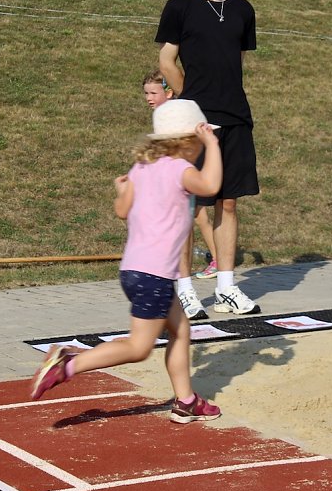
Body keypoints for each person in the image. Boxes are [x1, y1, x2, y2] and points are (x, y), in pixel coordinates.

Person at [29, 99, 223, 424]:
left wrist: (122, 190)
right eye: (200, 142)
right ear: (189, 142)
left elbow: (122, 211)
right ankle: (69, 363)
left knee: (181, 329)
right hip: (155, 274)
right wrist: (214, 145)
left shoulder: (141, 168)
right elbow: (211, 185)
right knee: (139, 347)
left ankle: (186, 400)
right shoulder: (180, 169)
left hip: (134, 269)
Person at [156, 0, 260, 319]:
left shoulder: (243, 9)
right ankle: (183, 290)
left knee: (227, 202)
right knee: (187, 206)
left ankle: (227, 287)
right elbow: (166, 60)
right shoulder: (179, 6)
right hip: (193, 121)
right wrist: (188, 100)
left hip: (234, 116)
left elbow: (238, 61)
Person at [143, 69, 219, 289]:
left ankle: (216, 259)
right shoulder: (162, 114)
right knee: (194, 214)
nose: (149, 98)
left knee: (197, 213)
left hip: (186, 170)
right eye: (146, 93)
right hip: (178, 172)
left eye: (153, 93)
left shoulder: (177, 114)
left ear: (168, 93)